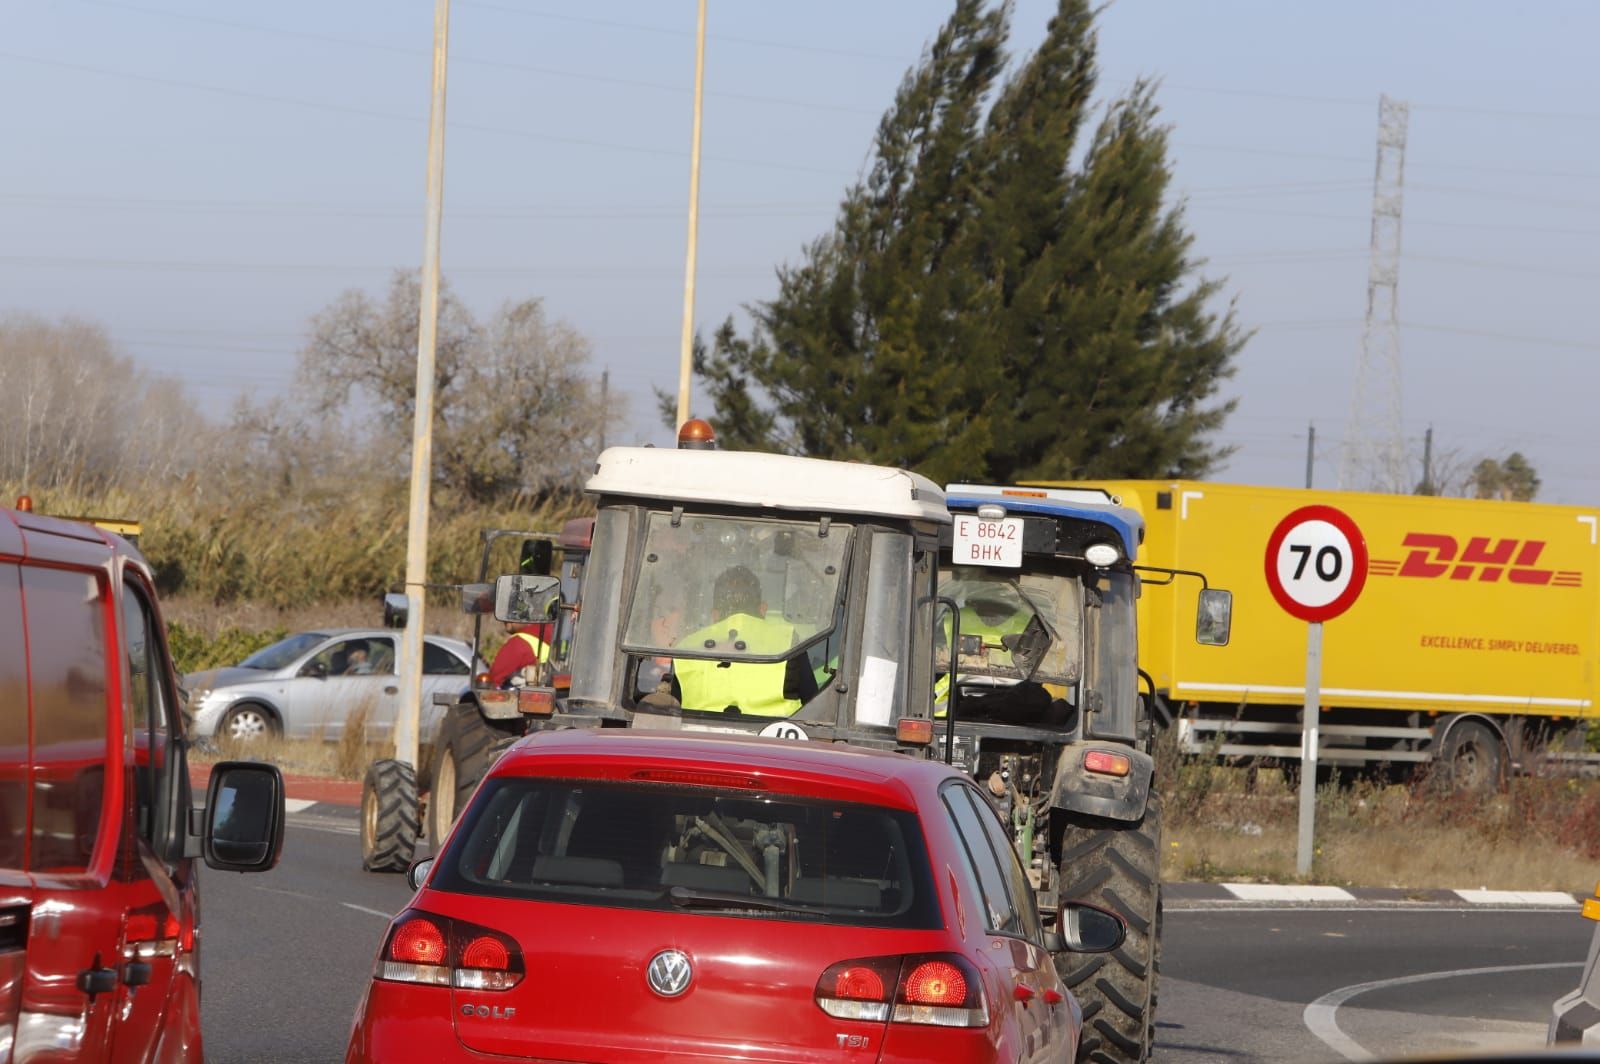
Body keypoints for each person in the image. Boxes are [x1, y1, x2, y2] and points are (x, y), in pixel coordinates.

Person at [671, 564, 813, 716]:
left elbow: (671, 710)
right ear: (763, 609)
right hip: (772, 737)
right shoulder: (787, 641)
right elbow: (812, 702)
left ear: (714, 614)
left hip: (700, 737)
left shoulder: (687, 647)